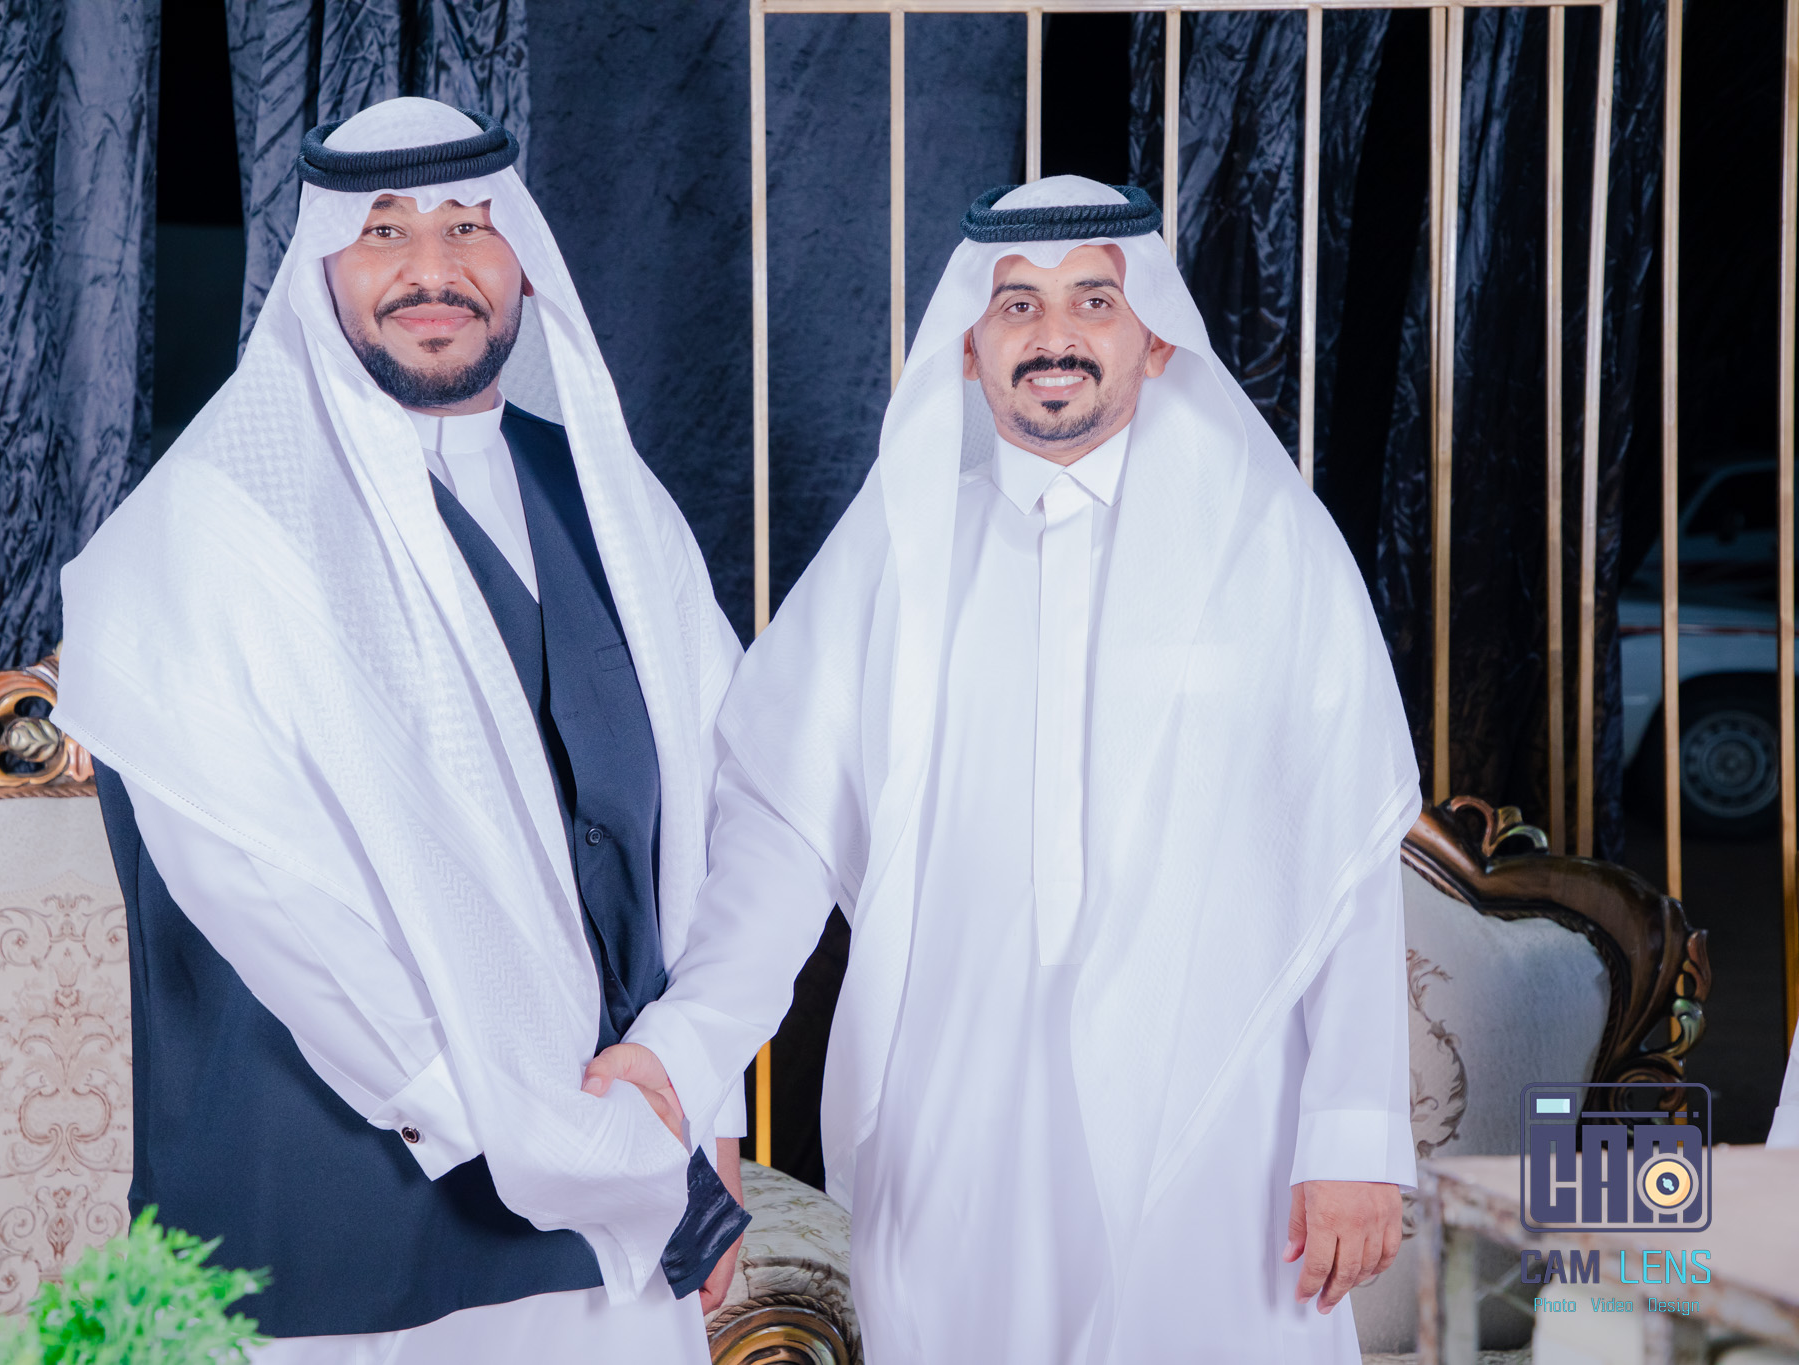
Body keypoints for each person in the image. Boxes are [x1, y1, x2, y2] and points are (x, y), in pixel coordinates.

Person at [591, 177, 1423, 1363]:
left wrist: (1350, 1134)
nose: (1053, 335)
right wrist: (686, 1046)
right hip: (957, 1119)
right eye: (1016, 306)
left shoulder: (1267, 546)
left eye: (1093, 301)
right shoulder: (896, 551)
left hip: (1215, 1120)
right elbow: (778, 839)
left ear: (1155, 342)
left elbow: (1342, 863)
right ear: (969, 351)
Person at [54, 97, 747, 1363]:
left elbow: (719, 823)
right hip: (341, 1216)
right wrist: (513, 1124)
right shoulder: (218, 527)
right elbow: (261, 896)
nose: (432, 268)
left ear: (521, 257)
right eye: (383, 231)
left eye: (468, 226)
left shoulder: (606, 498)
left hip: (620, 1192)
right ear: (322, 263)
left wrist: (703, 1119)